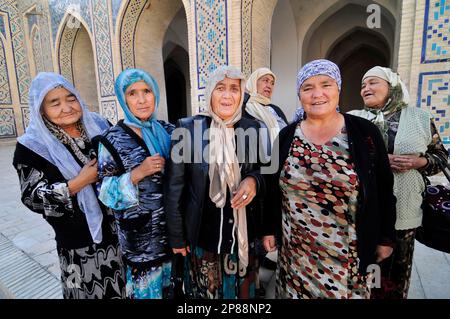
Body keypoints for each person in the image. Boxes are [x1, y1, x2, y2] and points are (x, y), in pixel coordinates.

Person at [262, 59, 397, 299]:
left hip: (348, 256)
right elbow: (272, 189)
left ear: (339, 89)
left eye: (326, 84)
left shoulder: (365, 133)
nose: (317, 94)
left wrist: (386, 237)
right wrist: (269, 229)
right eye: (308, 87)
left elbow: (384, 189)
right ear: (299, 94)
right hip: (296, 254)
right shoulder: (285, 137)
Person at [12, 72, 126, 299]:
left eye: (71, 98)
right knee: (83, 293)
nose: (66, 107)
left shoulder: (100, 125)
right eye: (55, 103)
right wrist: (79, 182)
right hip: (77, 246)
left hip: (119, 235)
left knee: (124, 290)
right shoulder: (32, 146)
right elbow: (33, 198)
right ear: (41, 109)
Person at [164, 65, 266, 299]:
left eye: (234, 89)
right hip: (203, 240)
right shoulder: (188, 129)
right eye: (220, 88)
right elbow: (174, 188)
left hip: (242, 238)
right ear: (210, 92)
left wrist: (253, 180)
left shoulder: (252, 128)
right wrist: (177, 237)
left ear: (242, 94)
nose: (228, 95)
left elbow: (265, 172)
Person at [348, 66, 448, 299]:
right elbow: (343, 157)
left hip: (405, 210)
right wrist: (378, 160)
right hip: (362, 211)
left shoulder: (420, 117)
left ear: (391, 87)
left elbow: (441, 157)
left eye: (373, 83)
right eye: (363, 85)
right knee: (361, 273)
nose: (366, 89)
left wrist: (419, 161)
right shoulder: (353, 119)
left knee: (395, 275)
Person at [96, 69, 174, 299]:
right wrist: (137, 173)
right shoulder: (112, 138)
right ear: (123, 98)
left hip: (173, 236)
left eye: (147, 91)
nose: (141, 100)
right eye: (132, 93)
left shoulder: (169, 131)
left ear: (155, 94)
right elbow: (104, 192)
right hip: (141, 243)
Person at [242, 67, 288, 296]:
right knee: (258, 231)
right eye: (264, 80)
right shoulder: (245, 109)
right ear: (253, 83)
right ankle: (255, 285)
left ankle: (267, 277)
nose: (269, 85)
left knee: (274, 229)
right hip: (257, 177)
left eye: (272, 81)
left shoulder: (276, 110)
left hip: (279, 178)